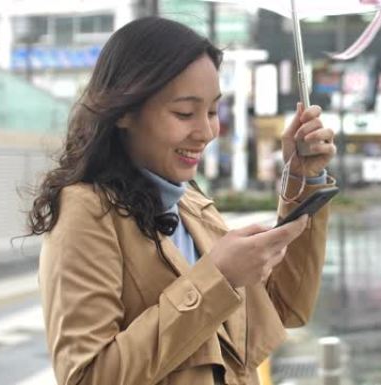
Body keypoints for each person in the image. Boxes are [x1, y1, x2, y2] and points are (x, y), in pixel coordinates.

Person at [28, 17, 336, 385]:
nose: (205, 132)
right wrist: (218, 277)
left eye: (211, 112)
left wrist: (303, 177)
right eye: (184, 113)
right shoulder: (86, 210)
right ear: (125, 110)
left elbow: (284, 307)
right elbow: (88, 377)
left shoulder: (190, 204)